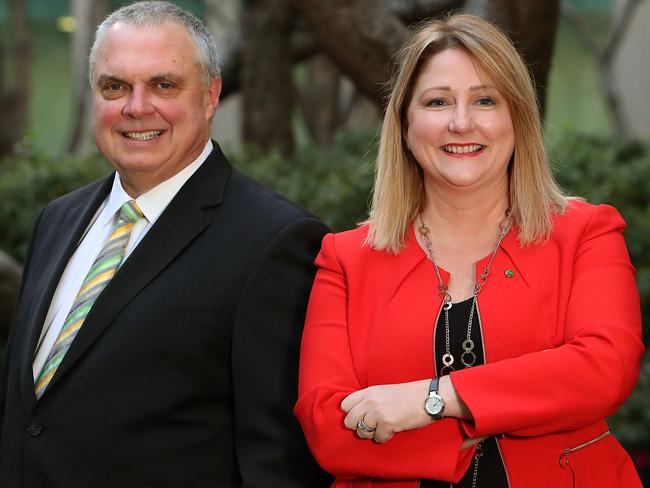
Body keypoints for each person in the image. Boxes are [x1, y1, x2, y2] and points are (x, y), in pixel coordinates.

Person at [295, 14, 644, 488]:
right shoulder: (345, 259)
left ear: (517, 119)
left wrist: (429, 401)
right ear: (404, 124)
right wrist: (498, 417)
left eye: (485, 100)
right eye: (438, 102)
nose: (461, 123)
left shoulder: (585, 233)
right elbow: (326, 427)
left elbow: (604, 368)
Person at [0, 2, 331, 487]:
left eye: (163, 85)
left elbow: (276, 460)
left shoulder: (275, 241)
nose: (136, 107)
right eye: (115, 86)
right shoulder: (58, 219)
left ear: (211, 95)